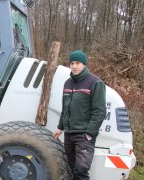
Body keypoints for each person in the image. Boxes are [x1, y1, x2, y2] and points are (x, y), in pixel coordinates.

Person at [53, 50, 106, 180]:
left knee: (81, 170)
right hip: (69, 134)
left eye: (78, 63)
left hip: (83, 135)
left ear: (84, 65)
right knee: (70, 168)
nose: (74, 66)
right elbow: (65, 108)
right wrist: (60, 128)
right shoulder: (68, 83)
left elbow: (99, 112)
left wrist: (89, 134)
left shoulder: (95, 83)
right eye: (72, 63)